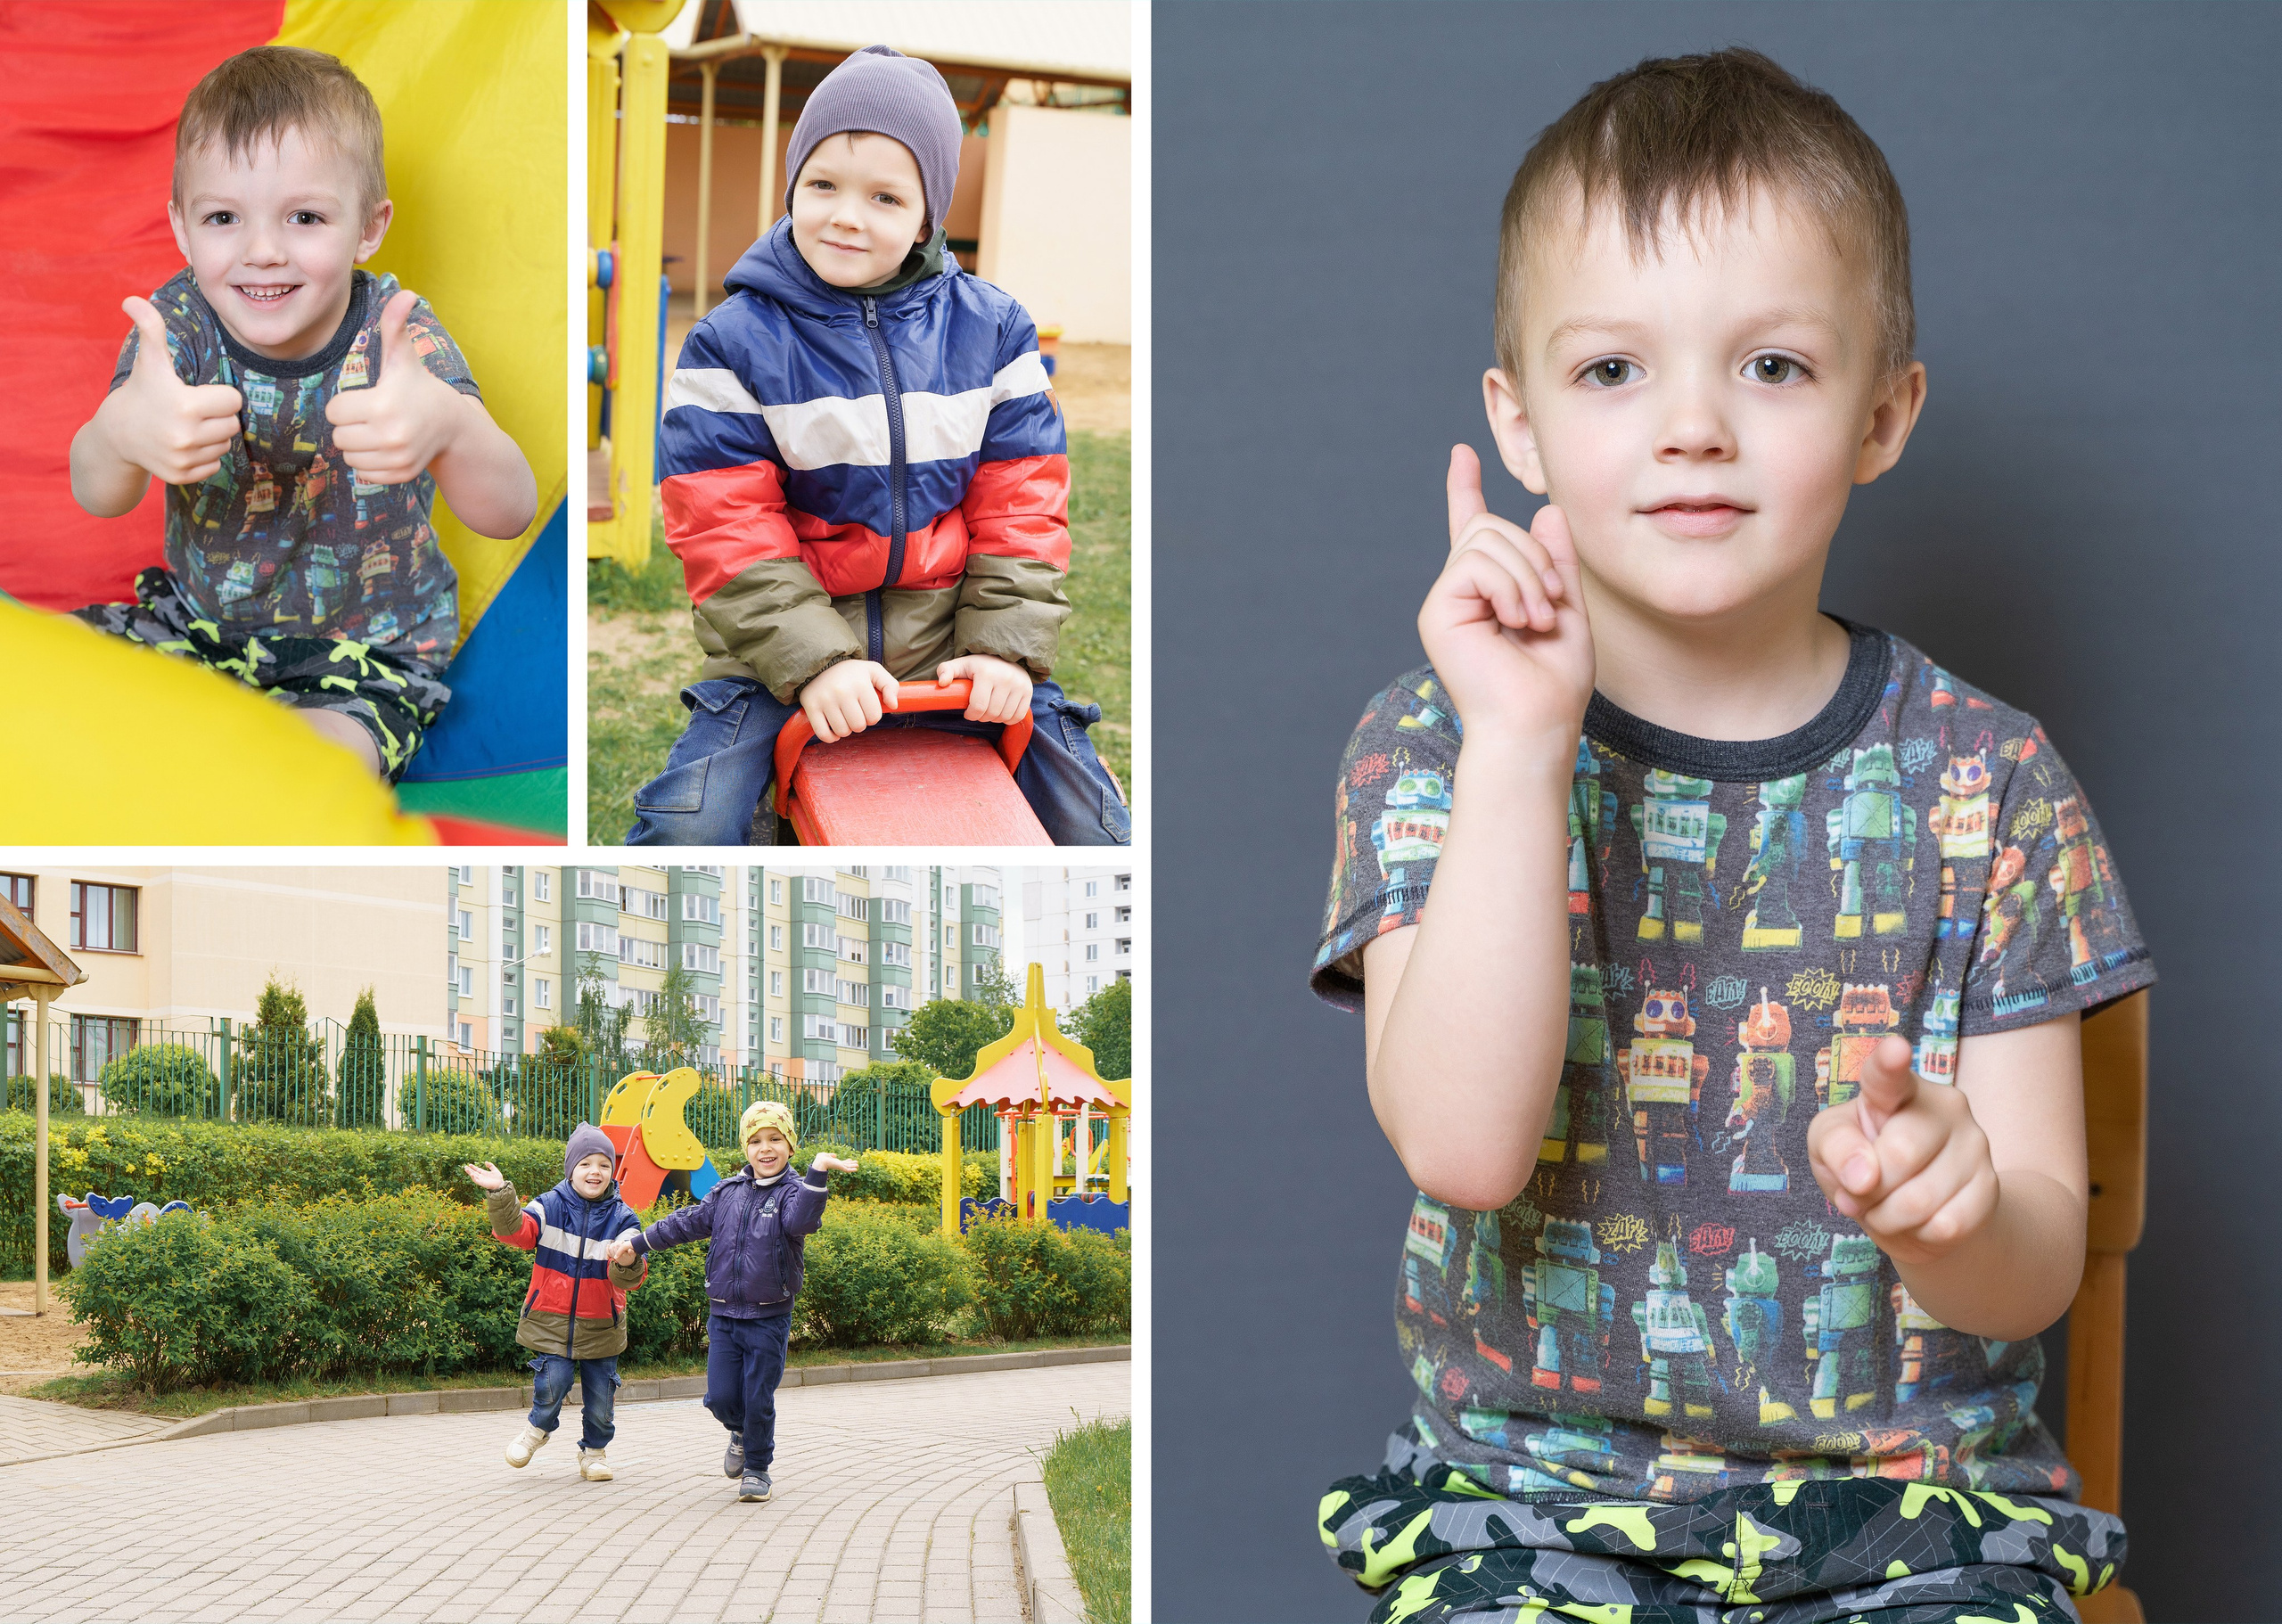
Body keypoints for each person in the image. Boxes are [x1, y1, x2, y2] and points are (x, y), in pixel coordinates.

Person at [1309, 48, 2152, 1624]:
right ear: (1523, 421)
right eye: (1615, 371)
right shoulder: (1432, 743)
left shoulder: (1991, 782)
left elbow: (2039, 1260)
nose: (1693, 426)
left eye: (1771, 367)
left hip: (1922, 1526)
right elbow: (1465, 1149)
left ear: (1883, 413)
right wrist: (1518, 746)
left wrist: (1956, 1211)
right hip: (1526, 1514)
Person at [627, 43, 1129, 846]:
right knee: (693, 824)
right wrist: (815, 662)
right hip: (778, 667)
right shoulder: (732, 343)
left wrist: (999, 651)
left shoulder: (994, 332)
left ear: (929, 216)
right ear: (793, 186)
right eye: (822, 184)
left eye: (886, 197)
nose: (846, 214)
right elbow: (724, 524)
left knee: (1096, 824)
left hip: (954, 654)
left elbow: (1023, 508)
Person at [67, 45, 536, 783]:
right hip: (194, 631)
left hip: (363, 658)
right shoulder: (178, 324)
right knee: (38, 671)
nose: (262, 252)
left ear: (368, 228)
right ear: (183, 228)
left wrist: (448, 426)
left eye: (305, 217)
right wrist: (124, 431)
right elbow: (95, 491)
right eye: (224, 216)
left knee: (305, 772)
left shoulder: (395, 334)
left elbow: (510, 510)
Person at [612, 1101, 859, 1502]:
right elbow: (686, 1222)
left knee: (758, 1395)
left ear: (790, 1147)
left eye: (775, 1139)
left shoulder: (795, 1192)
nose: (766, 1148)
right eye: (756, 1140)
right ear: (745, 1148)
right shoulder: (727, 1192)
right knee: (722, 1397)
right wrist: (636, 1244)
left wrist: (818, 1173)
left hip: (769, 1316)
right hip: (724, 1312)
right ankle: (740, 1433)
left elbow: (801, 1223)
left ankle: (758, 1469)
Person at [466, 1126, 648, 1482]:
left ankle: (594, 1453)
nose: (595, 1171)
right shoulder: (549, 1205)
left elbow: (631, 1276)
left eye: (603, 1165)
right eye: (585, 1163)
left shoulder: (623, 1219)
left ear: (613, 1171)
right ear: (570, 1169)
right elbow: (515, 1232)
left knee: (601, 1399)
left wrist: (626, 1259)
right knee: (553, 1382)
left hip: (602, 1325)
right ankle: (537, 1430)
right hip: (551, 1320)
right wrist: (501, 1194)